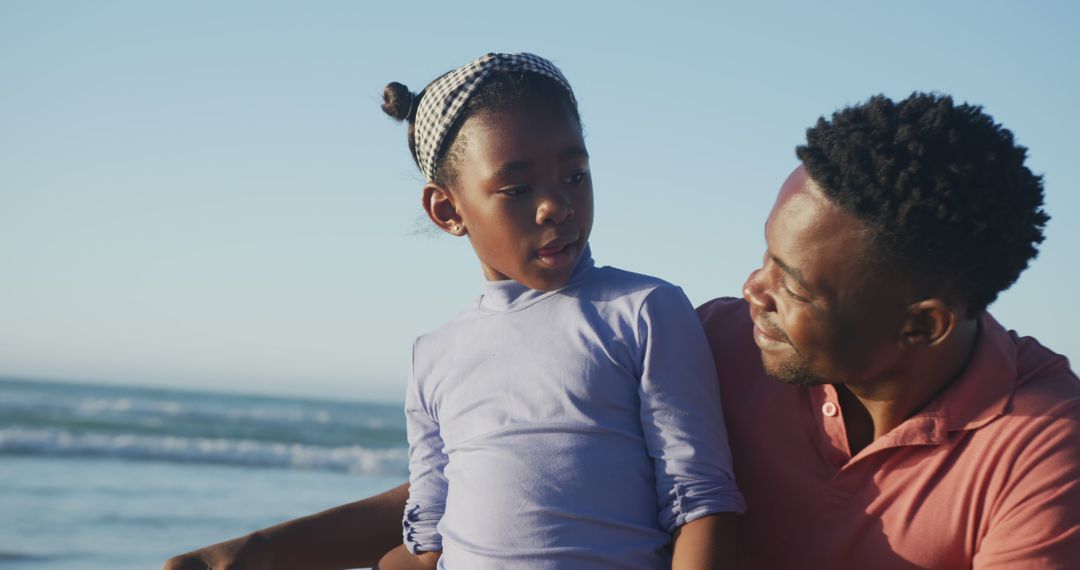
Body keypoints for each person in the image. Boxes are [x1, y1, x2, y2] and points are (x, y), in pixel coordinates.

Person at [165, 93, 1080, 569]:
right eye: (762, 254)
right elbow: (520, 460)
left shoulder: (1043, 450)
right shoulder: (722, 341)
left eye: (790, 284)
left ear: (919, 325)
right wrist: (260, 552)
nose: (748, 290)